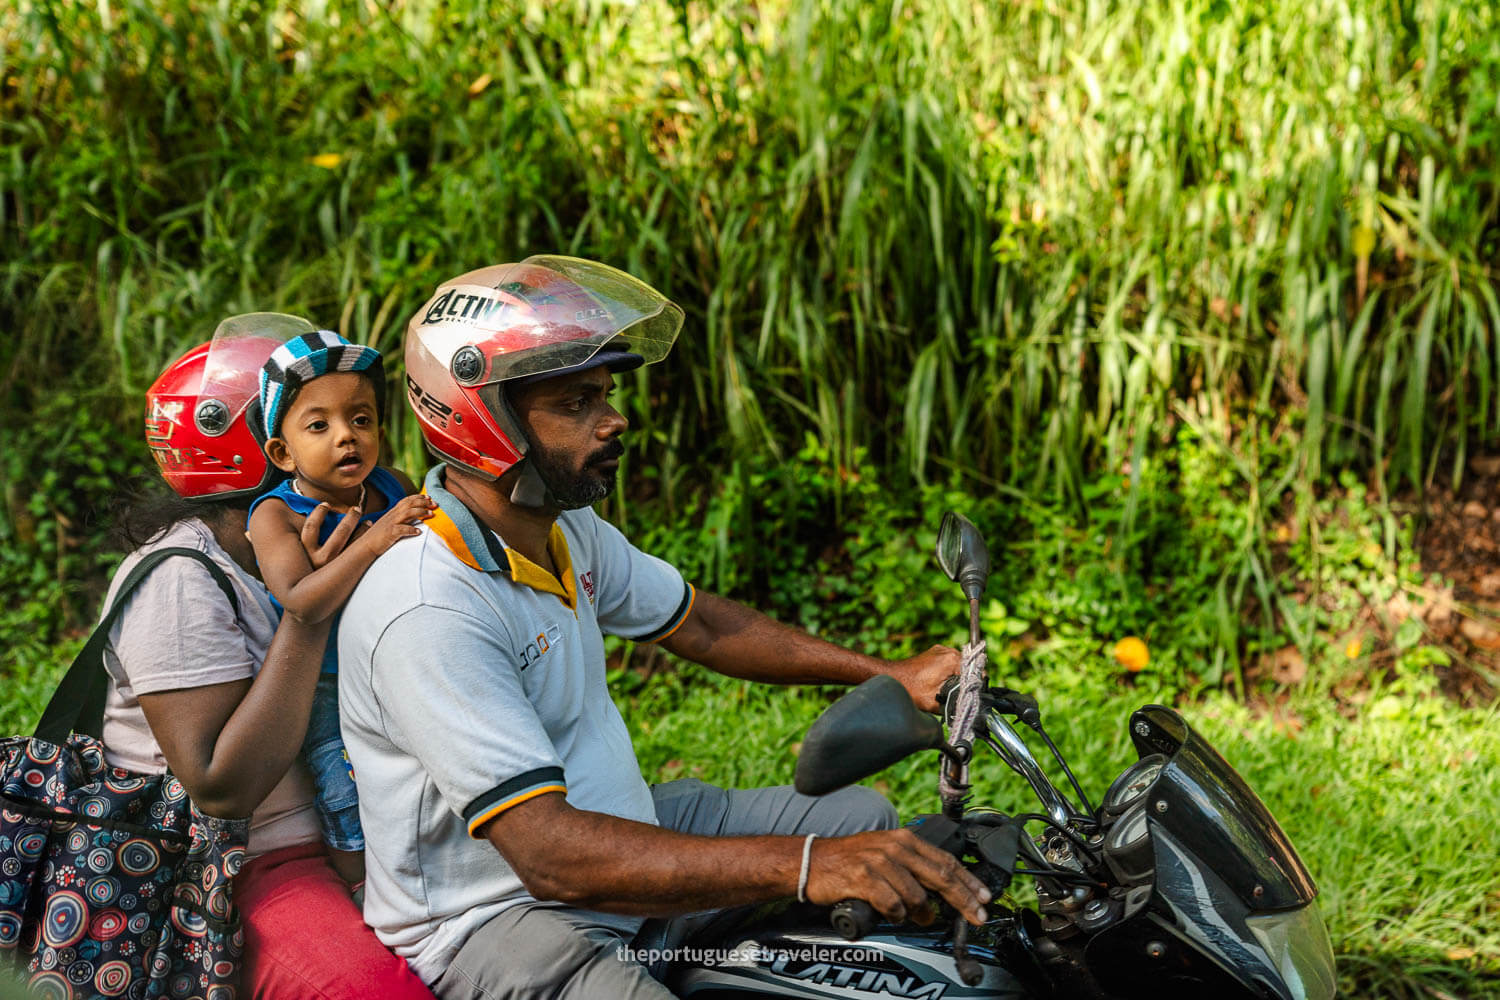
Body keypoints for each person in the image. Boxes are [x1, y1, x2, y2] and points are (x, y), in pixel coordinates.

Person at [337, 257, 991, 999]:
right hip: (505, 914)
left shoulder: (562, 528)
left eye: (607, 396)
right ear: (486, 421)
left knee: (862, 819)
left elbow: (701, 623)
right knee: (829, 854)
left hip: (622, 826)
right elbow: (549, 855)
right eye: (578, 403)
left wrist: (891, 672)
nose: (615, 420)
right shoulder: (429, 607)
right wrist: (806, 866)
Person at [102, 315, 435, 999]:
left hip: (373, 819)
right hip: (247, 863)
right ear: (270, 446)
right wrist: (307, 616)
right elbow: (222, 788)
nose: (344, 436)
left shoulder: (344, 514)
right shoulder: (179, 578)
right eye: (314, 421)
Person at [246, 331, 437, 888]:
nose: (346, 437)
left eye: (361, 419)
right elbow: (302, 602)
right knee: (345, 791)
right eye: (318, 425)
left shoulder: (391, 486)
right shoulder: (275, 516)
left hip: (402, 661)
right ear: (282, 453)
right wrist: (374, 543)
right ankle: (361, 892)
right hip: (329, 685)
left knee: (421, 773)